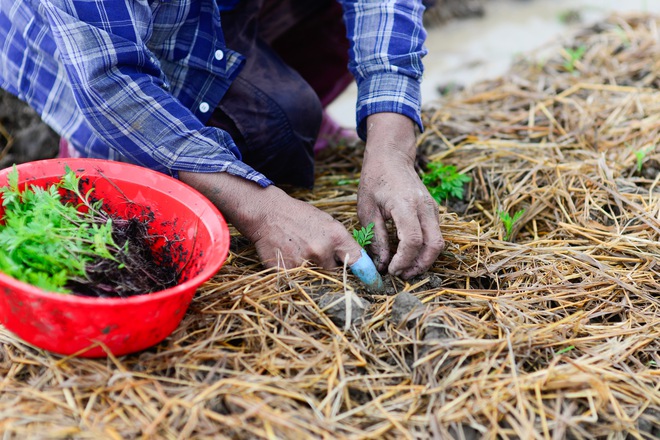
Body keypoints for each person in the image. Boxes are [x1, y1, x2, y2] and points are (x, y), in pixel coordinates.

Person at [0, 0, 444, 280]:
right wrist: (263, 210)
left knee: (291, 119)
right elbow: (111, 79)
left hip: (207, 14)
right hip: (90, 40)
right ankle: (97, 145)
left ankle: (278, 84)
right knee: (280, 126)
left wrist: (391, 146)